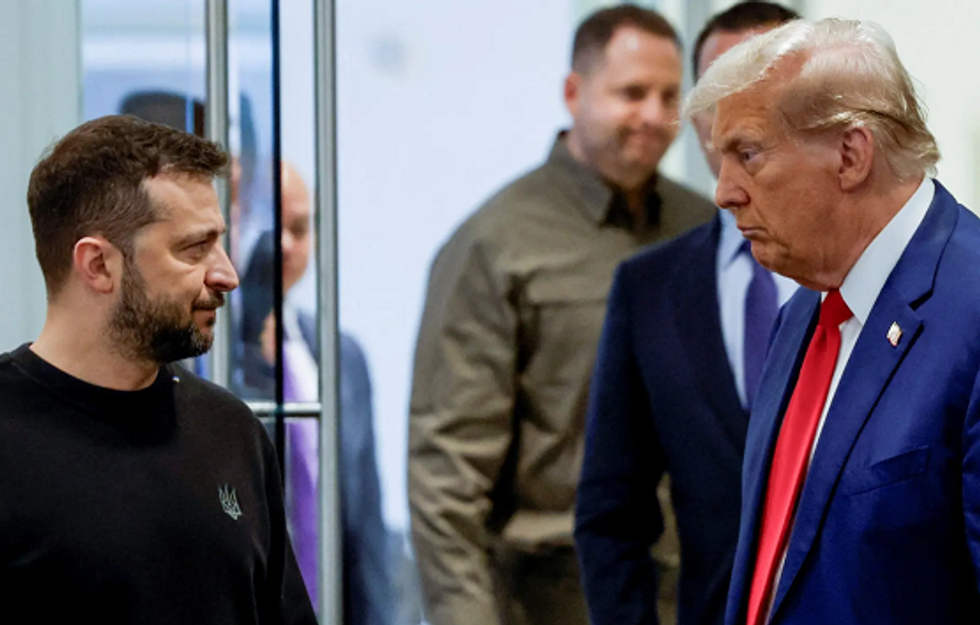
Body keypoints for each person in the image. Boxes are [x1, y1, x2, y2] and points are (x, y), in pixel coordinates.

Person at [408, 5, 717, 625]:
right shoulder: (496, 244)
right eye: (631, 93)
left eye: (669, 96)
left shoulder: (707, 229)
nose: (653, 115)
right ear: (574, 93)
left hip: (693, 592)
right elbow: (447, 473)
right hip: (550, 597)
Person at [684, 17, 980, 625]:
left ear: (850, 155)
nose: (724, 191)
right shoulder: (804, 313)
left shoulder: (970, 309)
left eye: (748, 154)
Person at [0, 115, 315, 623]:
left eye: (220, 243)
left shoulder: (233, 435)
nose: (227, 274)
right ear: (98, 265)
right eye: (194, 249)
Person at [574, 4, 799, 625]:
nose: (738, 113)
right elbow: (611, 514)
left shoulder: (862, 273)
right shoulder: (649, 287)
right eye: (718, 90)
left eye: (763, 87)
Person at [235, 162, 394, 625]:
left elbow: (365, 529)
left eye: (300, 229)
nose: (285, 244)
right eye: (271, 227)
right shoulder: (205, 357)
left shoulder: (342, 357)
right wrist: (251, 346)